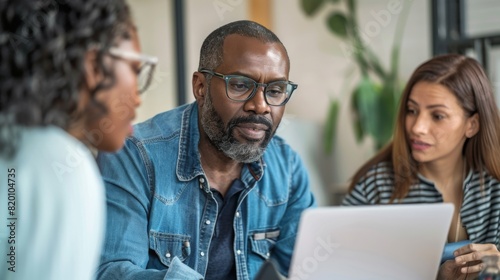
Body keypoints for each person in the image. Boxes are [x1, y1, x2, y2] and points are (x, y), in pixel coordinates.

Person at [95, 20, 316, 280]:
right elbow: (113, 272)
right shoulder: (135, 155)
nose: (261, 106)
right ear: (200, 87)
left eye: (276, 91)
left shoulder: (287, 168)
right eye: (241, 85)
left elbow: (310, 267)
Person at [0, 0, 157, 279]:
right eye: (135, 70)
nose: (137, 97)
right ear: (95, 66)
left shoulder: (15, 144)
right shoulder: (62, 164)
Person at [342, 54, 500, 279]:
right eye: (412, 110)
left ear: (472, 125)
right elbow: (340, 269)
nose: (417, 127)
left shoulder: (495, 186)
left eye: (437, 116)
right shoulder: (375, 185)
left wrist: (494, 268)